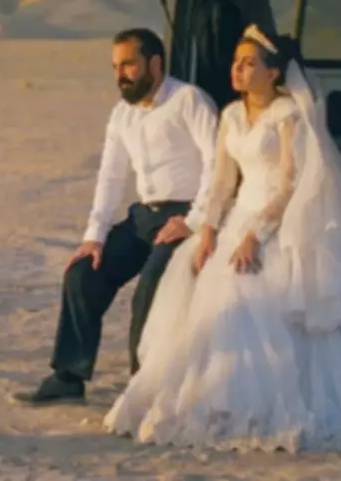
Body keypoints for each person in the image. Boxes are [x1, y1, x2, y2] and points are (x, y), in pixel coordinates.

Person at [102, 24, 341, 453]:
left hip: (278, 223)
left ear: (273, 73)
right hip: (237, 217)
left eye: (248, 63)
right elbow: (221, 182)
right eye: (236, 62)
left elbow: (288, 185)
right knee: (198, 281)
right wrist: (208, 231)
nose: (238, 70)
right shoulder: (230, 115)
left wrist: (256, 236)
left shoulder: (288, 116)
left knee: (253, 288)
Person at [12, 28, 219, 406]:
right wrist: (94, 237)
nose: (120, 75)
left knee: (150, 290)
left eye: (128, 65)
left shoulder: (189, 100)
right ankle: (69, 376)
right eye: (115, 67)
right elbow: (110, 176)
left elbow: (216, 164)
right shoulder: (122, 114)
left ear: (154, 64)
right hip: (144, 217)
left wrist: (193, 220)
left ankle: (144, 387)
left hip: (185, 217)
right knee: (82, 275)